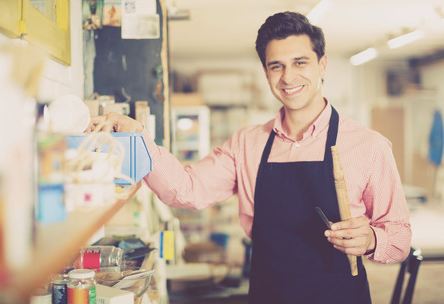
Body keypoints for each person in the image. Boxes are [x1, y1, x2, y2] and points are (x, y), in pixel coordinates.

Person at [87, 11, 411, 303]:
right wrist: (137, 135)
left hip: (340, 296)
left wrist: (370, 239)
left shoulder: (369, 146)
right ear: (266, 72)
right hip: (268, 294)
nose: (288, 77)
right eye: (277, 66)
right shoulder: (247, 144)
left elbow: (399, 237)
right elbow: (185, 189)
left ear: (321, 64)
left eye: (300, 62)